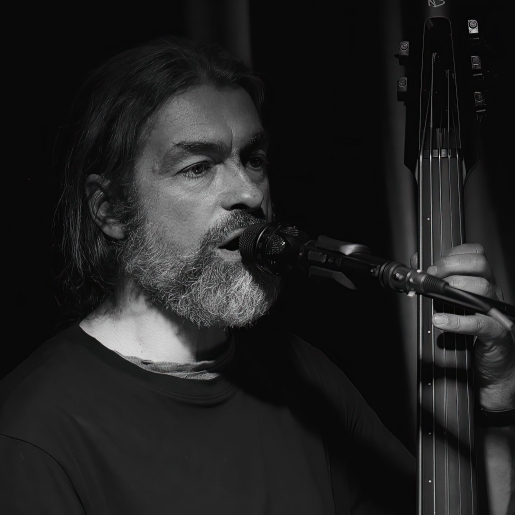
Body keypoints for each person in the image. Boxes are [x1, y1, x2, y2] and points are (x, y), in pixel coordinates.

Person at [0, 37, 513, 515]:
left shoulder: (306, 378)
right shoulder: (34, 433)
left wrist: (496, 401)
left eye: (253, 159)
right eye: (197, 167)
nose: (248, 192)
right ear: (110, 209)